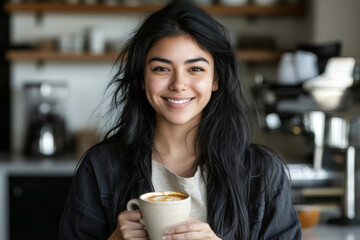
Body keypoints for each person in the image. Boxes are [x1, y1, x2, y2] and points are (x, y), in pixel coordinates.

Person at [59, 1, 302, 239]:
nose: (178, 84)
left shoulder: (263, 173)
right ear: (142, 79)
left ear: (215, 79)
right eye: (161, 69)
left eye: (195, 69)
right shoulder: (101, 167)